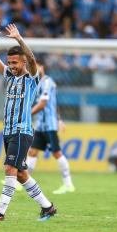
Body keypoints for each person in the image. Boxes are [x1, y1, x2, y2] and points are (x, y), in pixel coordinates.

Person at [0, 20, 56, 221]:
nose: (12, 66)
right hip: (8, 132)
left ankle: (0, 212)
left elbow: (32, 58)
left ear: (23, 62)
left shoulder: (32, 79)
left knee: (10, 169)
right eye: (10, 62)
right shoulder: (9, 75)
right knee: (22, 174)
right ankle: (48, 207)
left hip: (22, 131)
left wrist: (19, 38)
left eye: (15, 62)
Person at [25, 63, 75, 194]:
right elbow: (55, 102)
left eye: (35, 66)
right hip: (41, 125)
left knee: (56, 153)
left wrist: (26, 114)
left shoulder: (48, 82)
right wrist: (60, 118)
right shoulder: (38, 83)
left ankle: (68, 184)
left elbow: (43, 104)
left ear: (42, 67)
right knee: (32, 152)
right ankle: (23, 181)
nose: (33, 69)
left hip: (49, 125)